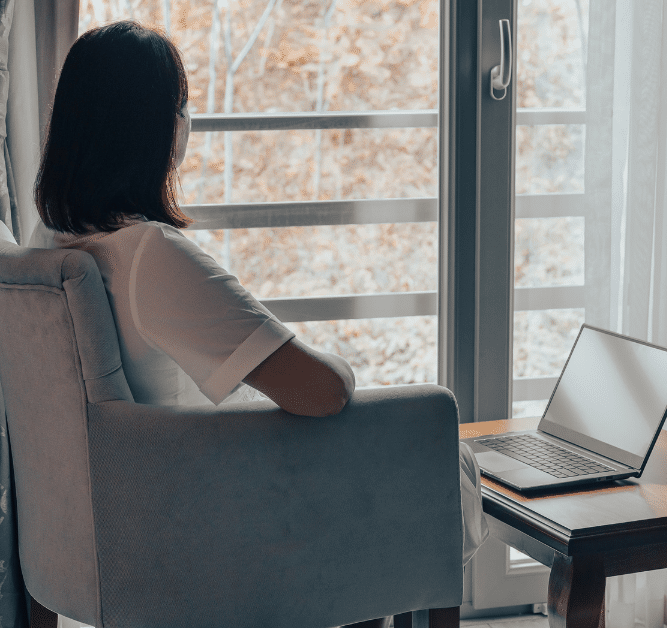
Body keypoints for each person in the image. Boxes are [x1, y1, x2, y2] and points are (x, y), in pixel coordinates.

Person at [33, 21, 486, 626]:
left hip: (118, 525)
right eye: (181, 108)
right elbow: (323, 391)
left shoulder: (50, 244)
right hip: (208, 532)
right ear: (150, 130)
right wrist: (348, 370)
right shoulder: (150, 256)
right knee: (430, 449)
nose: (186, 125)